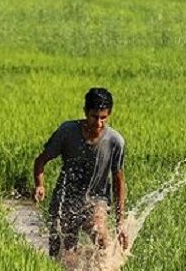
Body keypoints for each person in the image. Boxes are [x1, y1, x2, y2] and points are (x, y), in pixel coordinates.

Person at [33, 88, 128, 258]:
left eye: (103, 117)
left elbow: (118, 181)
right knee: (61, 253)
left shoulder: (115, 141)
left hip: (96, 200)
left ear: (109, 115)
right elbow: (41, 160)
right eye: (94, 116)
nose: (98, 123)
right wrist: (39, 185)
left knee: (103, 241)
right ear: (85, 112)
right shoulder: (67, 132)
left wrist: (121, 221)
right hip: (66, 199)